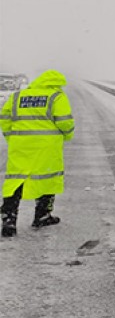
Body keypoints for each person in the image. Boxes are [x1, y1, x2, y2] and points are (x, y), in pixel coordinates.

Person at [1, 70, 75, 237]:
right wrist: (67, 135)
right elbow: (65, 122)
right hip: (46, 146)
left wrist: (12, 138)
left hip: (20, 145)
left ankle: (9, 220)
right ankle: (42, 215)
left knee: (15, 180)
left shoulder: (18, 96)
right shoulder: (56, 96)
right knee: (47, 178)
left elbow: (5, 118)